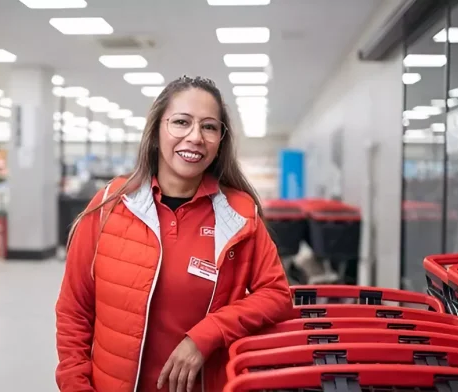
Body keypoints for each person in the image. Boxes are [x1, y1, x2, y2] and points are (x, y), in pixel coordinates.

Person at [55, 75, 293, 392]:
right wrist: (75, 385)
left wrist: (206, 335)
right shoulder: (110, 205)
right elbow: (74, 310)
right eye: (181, 122)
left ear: (221, 140)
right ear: (156, 131)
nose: (195, 136)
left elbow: (276, 296)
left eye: (209, 127)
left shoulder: (238, 214)